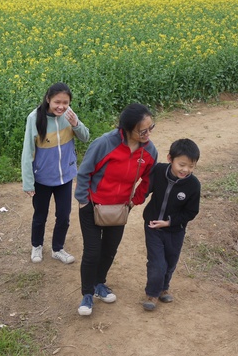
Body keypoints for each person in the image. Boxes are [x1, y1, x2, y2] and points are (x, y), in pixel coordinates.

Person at [74, 103, 158, 316]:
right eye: (143, 131)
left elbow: (148, 180)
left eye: (151, 128)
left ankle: (100, 283)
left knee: (110, 249)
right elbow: (84, 173)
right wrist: (83, 201)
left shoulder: (150, 151)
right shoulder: (104, 143)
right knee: (92, 251)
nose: (148, 134)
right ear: (128, 129)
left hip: (120, 209)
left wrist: (133, 202)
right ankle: (87, 294)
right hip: (92, 207)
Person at [21, 82, 90, 265]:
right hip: (42, 179)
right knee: (40, 215)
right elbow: (28, 152)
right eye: (57, 102)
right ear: (48, 99)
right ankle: (36, 245)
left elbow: (85, 137)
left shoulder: (69, 116)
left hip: (65, 177)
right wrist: (28, 182)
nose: (61, 106)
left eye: (65, 102)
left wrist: (75, 123)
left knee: (64, 216)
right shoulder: (34, 118)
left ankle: (58, 249)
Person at [141, 138, 201, 311]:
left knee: (170, 261)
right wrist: (133, 199)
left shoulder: (193, 185)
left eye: (191, 166)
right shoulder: (159, 171)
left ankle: (163, 288)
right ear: (170, 158)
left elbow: (191, 212)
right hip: (152, 225)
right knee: (157, 262)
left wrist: (169, 222)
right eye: (182, 164)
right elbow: (145, 188)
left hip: (175, 230)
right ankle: (152, 294)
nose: (186, 170)